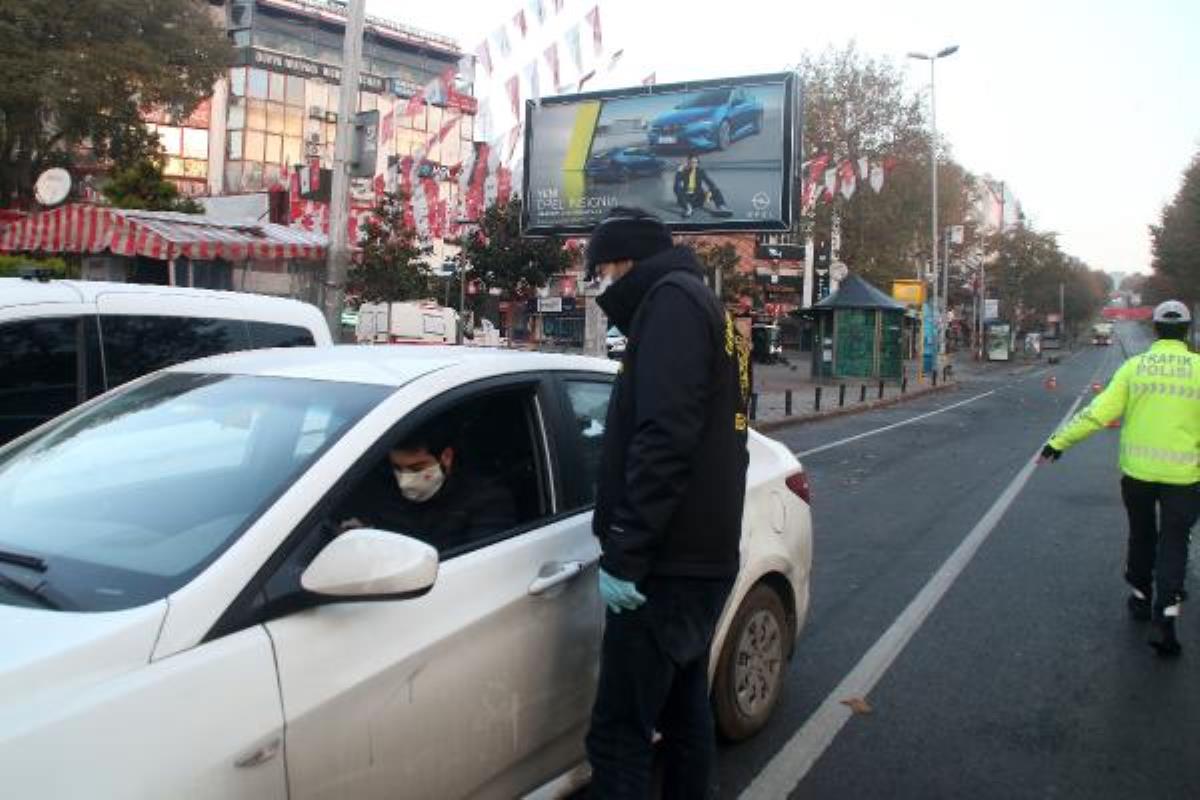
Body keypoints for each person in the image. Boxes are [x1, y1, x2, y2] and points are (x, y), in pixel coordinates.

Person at [583, 207, 750, 798]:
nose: (600, 287)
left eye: (599, 273)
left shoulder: (672, 306)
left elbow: (664, 438)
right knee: (683, 716)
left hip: (666, 568)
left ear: (623, 262)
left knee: (617, 736)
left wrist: (627, 549)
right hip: (700, 556)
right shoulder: (701, 303)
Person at [1040, 300, 1200, 657]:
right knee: (1175, 544)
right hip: (1184, 478)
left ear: (1156, 329)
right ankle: (1166, 617)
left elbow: (1098, 413)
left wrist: (1058, 442)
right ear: (1187, 331)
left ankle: (1141, 596)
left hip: (1138, 476)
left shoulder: (1135, 368)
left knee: (1142, 535)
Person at [338, 421, 517, 554]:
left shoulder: (488, 500)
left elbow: (477, 567)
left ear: (446, 457)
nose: (405, 480)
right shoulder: (382, 489)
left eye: (417, 468)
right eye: (398, 469)